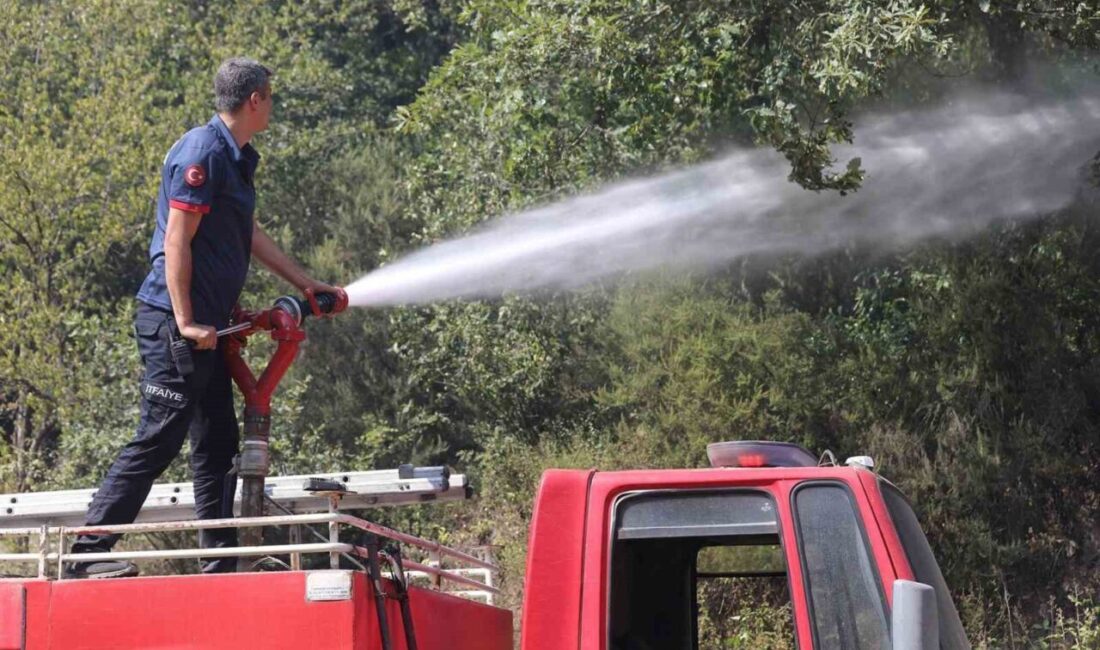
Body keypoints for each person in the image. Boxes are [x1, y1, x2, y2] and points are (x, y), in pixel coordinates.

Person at [66, 58, 339, 578]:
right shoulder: (203, 152)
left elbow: (246, 233)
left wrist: (303, 283)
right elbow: (176, 241)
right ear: (255, 99)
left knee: (217, 443)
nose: (273, 106)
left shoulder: (236, 157)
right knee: (160, 435)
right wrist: (188, 321)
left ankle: (220, 562)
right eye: (271, 96)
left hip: (205, 330)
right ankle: (85, 554)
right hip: (174, 325)